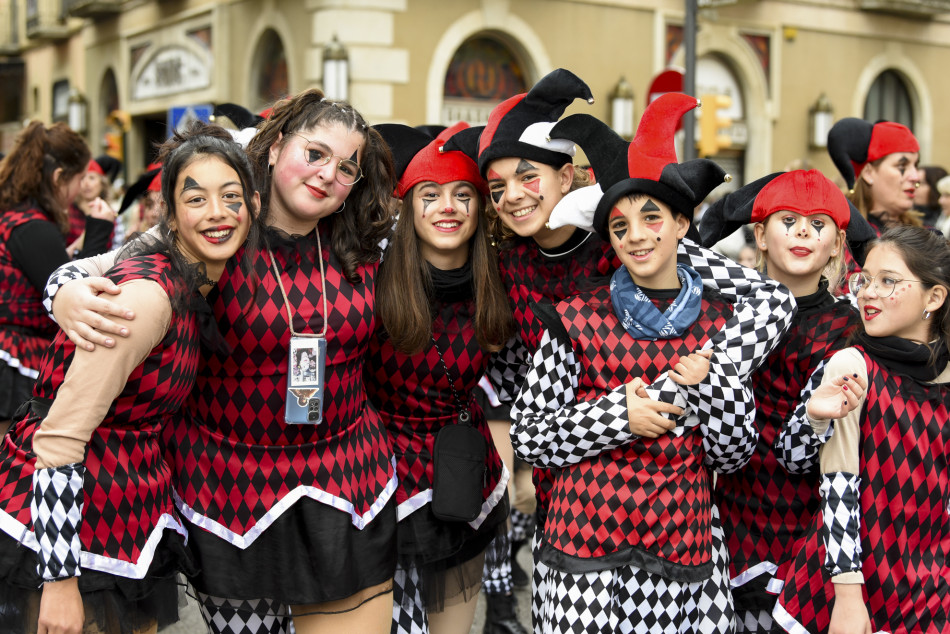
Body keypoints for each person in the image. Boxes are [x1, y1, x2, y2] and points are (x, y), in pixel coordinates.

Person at [43, 89, 399, 633]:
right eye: (317, 153)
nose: (329, 174)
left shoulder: (367, 241)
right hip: (230, 489)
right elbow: (99, 267)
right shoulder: (219, 226)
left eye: (347, 167)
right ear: (277, 147)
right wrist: (64, 294)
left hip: (348, 480)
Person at [511, 93, 780, 633]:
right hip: (578, 563)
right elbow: (528, 435)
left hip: (681, 564)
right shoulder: (575, 319)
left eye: (652, 217)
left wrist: (716, 386)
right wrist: (616, 417)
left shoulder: (721, 325)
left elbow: (731, 456)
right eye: (619, 225)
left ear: (682, 225)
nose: (636, 235)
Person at [0, 122, 255, 633]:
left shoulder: (187, 269)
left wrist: (63, 286)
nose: (218, 213)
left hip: (130, 510)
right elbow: (60, 439)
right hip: (65, 529)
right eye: (196, 198)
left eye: (232, 196)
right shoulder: (146, 298)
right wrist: (60, 583)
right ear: (172, 213)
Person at [700, 169, 872, 633]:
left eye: (818, 224)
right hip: (731, 511)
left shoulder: (850, 326)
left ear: (837, 244)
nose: (802, 231)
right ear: (759, 234)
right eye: (788, 220)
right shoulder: (723, 310)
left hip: (811, 518)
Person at [370, 122, 513, 634]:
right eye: (430, 195)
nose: (446, 207)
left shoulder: (501, 279)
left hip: (464, 473)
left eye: (462, 195)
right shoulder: (370, 280)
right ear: (409, 207)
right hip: (383, 481)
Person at [774, 225, 950, 634]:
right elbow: (834, 486)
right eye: (865, 279)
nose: (868, 292)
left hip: (928, 584)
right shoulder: (852, 365)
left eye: (888, 281)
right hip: (850, 581)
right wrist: (848, 599)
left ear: (935, 297)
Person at [0, 121, 113, 437]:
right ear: (58, 178)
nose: (79, 189)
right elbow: (70, 296)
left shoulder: (14, 215)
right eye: (79, 179)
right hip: (14, 360)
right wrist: (99, 231)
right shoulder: (32, 227)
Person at [827, 117, 922, 233]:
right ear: (868, 173)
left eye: (915, 166)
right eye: (901, 166)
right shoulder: (839, 237)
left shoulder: (927, 238)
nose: (915, 177)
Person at [65, 158, 117, 257]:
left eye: (92, 178)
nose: (87, 183)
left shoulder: (110, 213)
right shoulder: (67, 212)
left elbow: (115, 247)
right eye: (82, 178)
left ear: (102, 183)